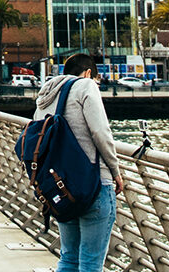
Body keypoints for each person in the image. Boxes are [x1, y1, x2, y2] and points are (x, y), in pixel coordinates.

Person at [34, 53, 124, 272]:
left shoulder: (46, 95)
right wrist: (115, 170)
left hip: (60, 187)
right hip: (94, 184)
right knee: (91, 262)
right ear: (88, 73)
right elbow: (100, 132)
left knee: (69, 258)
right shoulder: (86, 86)